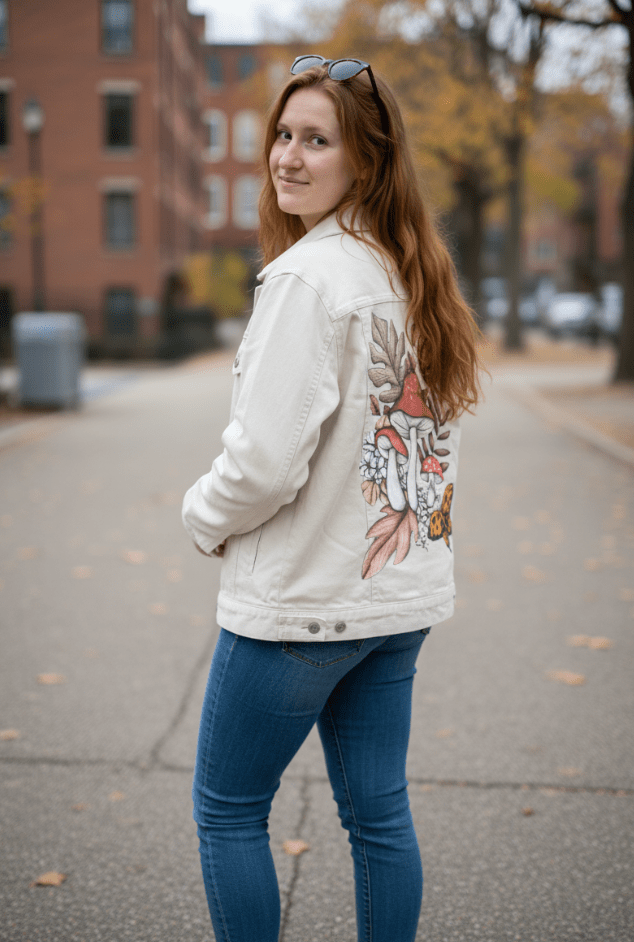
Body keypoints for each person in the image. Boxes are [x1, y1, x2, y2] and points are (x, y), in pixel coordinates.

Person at [182, 55, 481, 942]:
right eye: (284, 134)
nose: (288, 157)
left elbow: (263, 467)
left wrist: (199, 515)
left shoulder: (310, 280)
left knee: (229, 811)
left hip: (302, 615)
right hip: (396, 603)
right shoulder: (409, 272)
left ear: (367, 161)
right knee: (379, 815)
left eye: (318, 140)